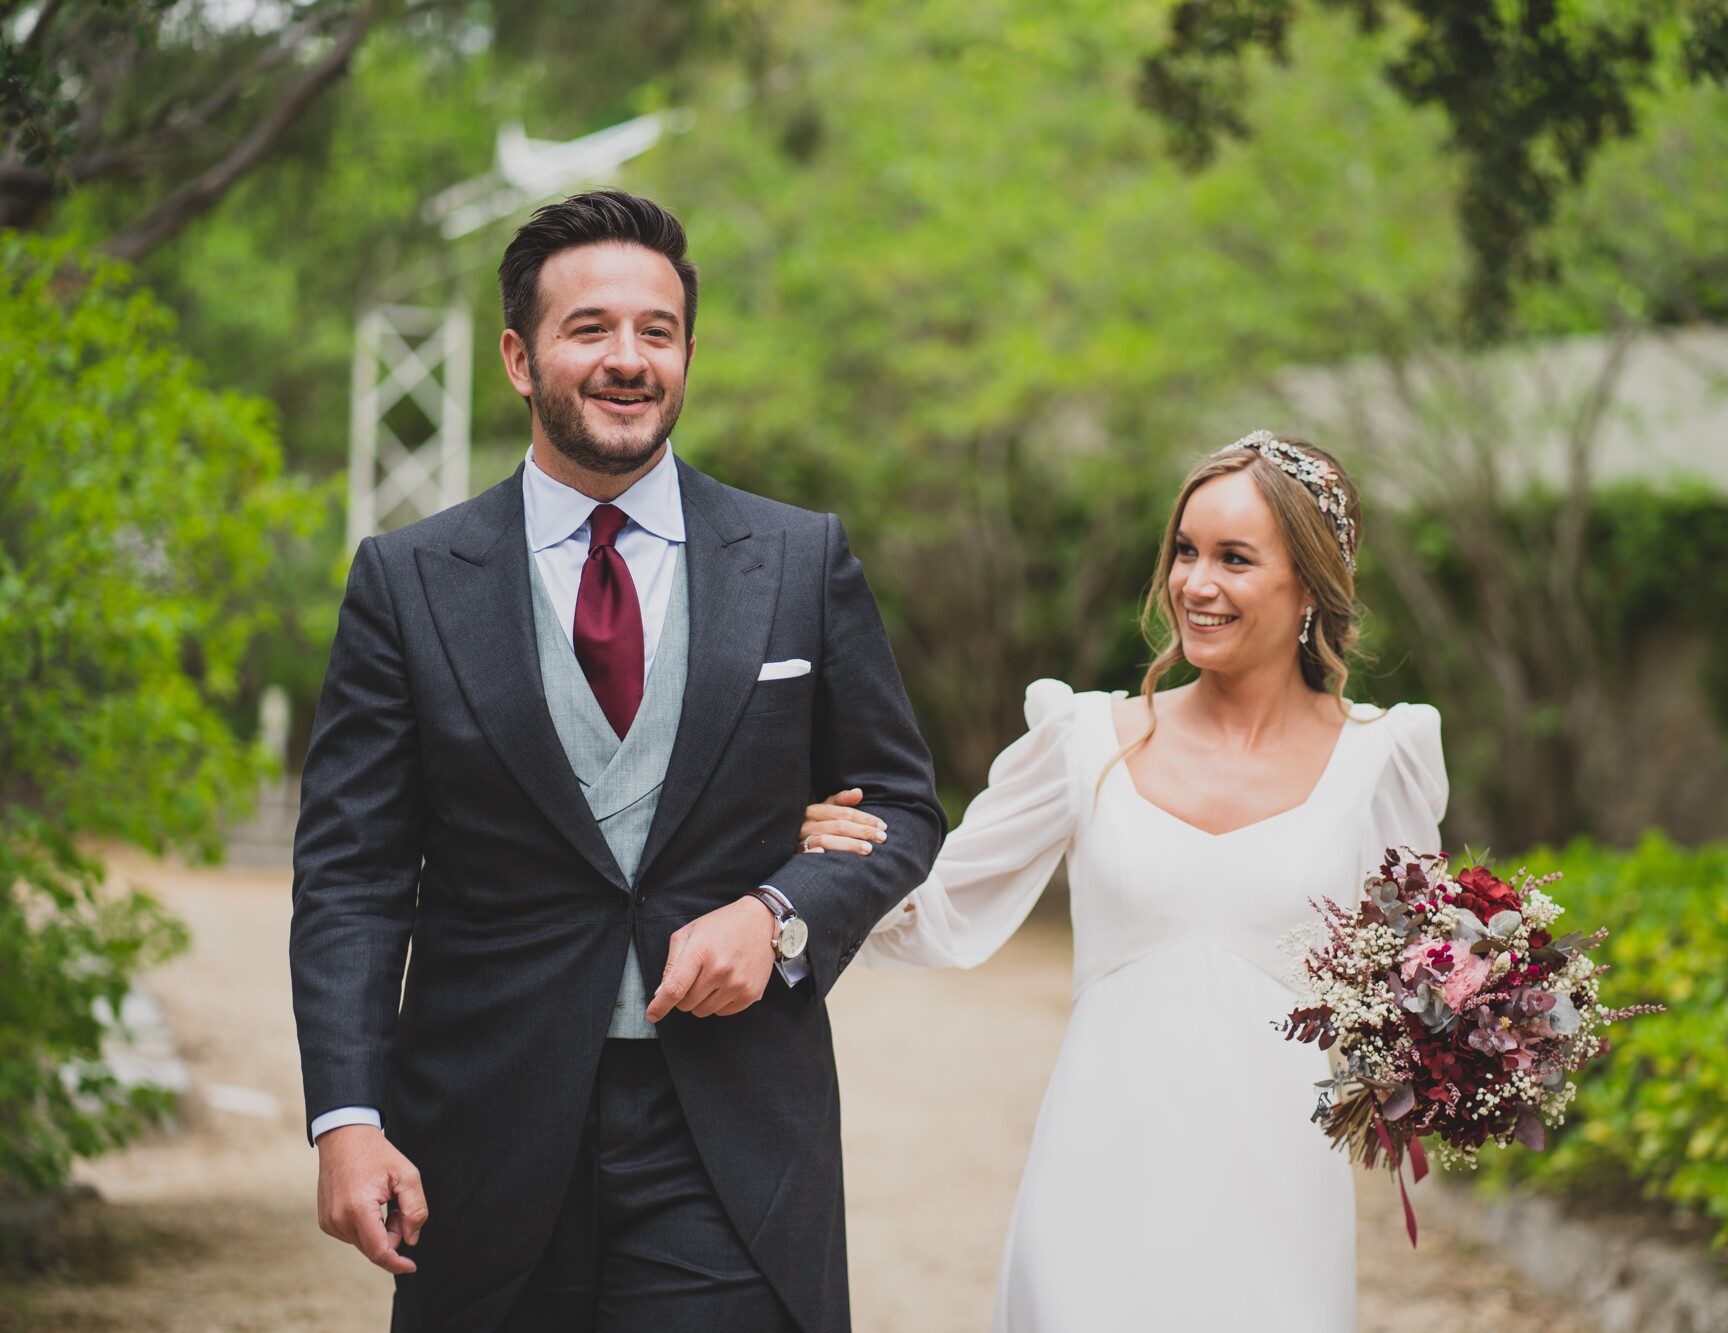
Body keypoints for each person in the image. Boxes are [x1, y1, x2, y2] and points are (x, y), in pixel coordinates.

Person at [290, 189, 945, 1333]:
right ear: (517, 356)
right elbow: (351, 874)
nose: (627, 359)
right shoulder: (405, 581)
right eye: (589, 328)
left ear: (689, 350)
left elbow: (899, 801)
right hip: (481, 1130)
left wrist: (779, 913)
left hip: (731, 1129)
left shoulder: (798, 559)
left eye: (657, 330)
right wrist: (345, 1116)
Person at [799, 432, 1448, 1330]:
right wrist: (838, 863)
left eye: (1233, 558)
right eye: (1185, 551)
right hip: (1098, 1174)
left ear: (1309, 584)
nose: (1195, 582)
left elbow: (1427, 979)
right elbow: (944, 905)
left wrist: (1492, 1031)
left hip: (1279, 1190)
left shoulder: (1384, 759)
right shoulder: (1087, 738)